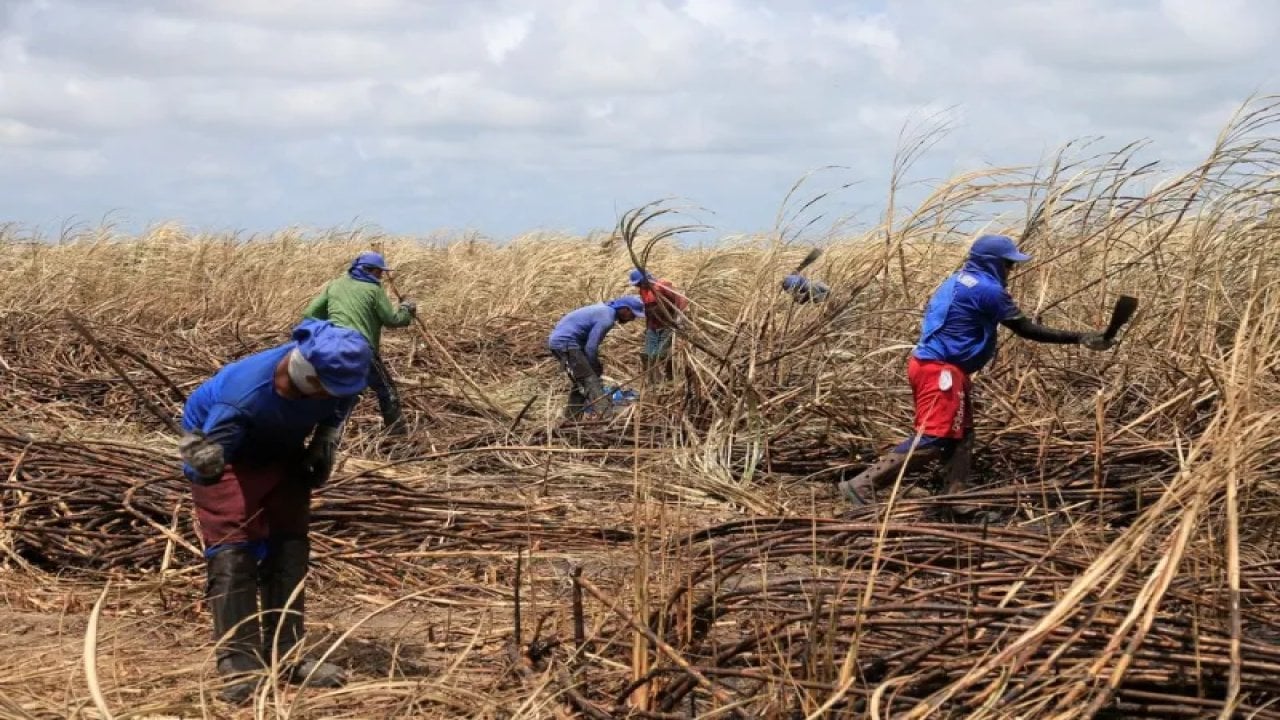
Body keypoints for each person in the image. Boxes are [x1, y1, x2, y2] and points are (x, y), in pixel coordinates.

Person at [838, 234, 1115, 507]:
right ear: (992, 263)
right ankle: (862, 484)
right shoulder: (987, 290)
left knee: (962, 436)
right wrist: (1081, 337)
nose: (1010, 270)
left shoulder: (958, 280)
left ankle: (956, 499)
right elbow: (1027, 330)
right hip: (940, 371)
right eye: (1008, 264)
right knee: (934, 438)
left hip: (937, 368)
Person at [178, 319, 371, 703]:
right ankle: (239, 664)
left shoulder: (342, 376)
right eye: (319, 388)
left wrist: (324, 439)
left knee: (290, 543)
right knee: (234, 546)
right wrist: (201, 461)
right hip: (223, 452)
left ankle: (288, 654)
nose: (325, 395)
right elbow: (196, 461)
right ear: (303, 371)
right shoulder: (243, 397)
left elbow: (342, 401)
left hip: (280, 446)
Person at [303, 251, 416, 435]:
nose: (381, 277)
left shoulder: (335, 285)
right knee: (387, 391)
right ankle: (399, 437)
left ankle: (327, 436)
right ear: (369, 270)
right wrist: (406, 310)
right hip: (360, 348)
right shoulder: (374, 290)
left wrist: (330, 330)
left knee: (342, 392)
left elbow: (310, 313)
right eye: (379, 273)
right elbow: (392, 320)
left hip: (333, 347)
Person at [547, 296, 645, 418]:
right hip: (566, 344)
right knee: (590, 380)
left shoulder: (604, 310)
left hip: (563, 342)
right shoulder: (607, 318)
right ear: (625, 309)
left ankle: (571, 418)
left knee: (581, 381)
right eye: (633, 315)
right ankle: (606, 418)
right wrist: (593, 365)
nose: (632, 319)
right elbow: (591, 347)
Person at [629, 269, 688, 383]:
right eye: (637, 284)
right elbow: (648, 310)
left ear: (645, 279)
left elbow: (680, 300)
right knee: (648, 354)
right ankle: (653, 381)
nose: (638, 286)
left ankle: (670, 378)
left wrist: (679, 319)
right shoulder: (643, 291)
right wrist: (647, 328)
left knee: (662, 353)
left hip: (667, 325)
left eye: (639, 283)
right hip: (652, 326)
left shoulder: (662, 285)